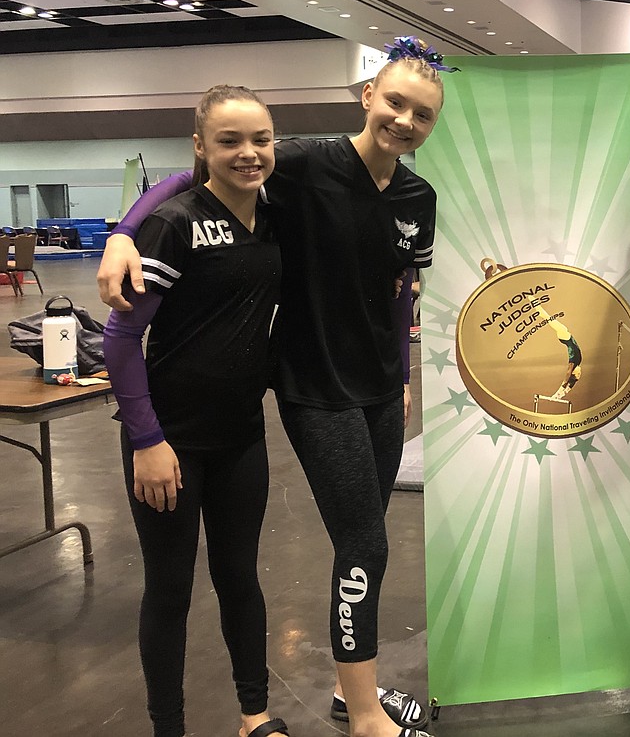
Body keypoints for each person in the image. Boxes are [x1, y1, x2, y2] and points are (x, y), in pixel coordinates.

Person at [98, 37, 450, 737]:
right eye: (395, 102)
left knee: (364, 542)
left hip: (378, 388)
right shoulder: (305, 162)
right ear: (367, 97)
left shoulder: (419, 196)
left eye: (422, 114)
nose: (405, 121)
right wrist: (122, 230)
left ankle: (350, 694)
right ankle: (365, 714)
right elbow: (194, 175)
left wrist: (405, 377)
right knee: (366, 544)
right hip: (315, 385)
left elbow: (400, 293)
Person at [103, 86, 288, 737]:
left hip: (241, 437)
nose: (248, 153)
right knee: (171, 589)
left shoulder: (276, 212)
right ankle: (169, 728)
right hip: (169, 442)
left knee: (240, 575)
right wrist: (147, 439)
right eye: (230, 140)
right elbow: (120, 340)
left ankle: (255, 713)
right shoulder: (174, 222)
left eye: (260, 139)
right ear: (200, 147)